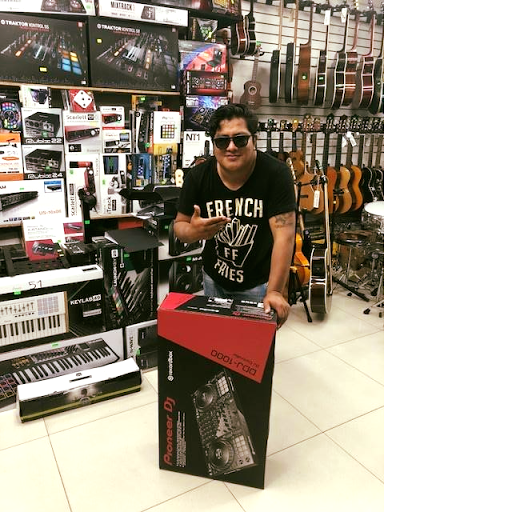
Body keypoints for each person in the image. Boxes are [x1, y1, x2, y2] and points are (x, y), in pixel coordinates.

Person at [174, 104, 296, 328]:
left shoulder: (276, 174)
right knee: (216, 339)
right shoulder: (198, 176)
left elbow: (284, 237)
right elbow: (179, 227)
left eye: (240, 139)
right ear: (214, 144)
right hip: (213, 278)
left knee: (251, 347)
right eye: (222, 141)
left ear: (254, 140)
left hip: (258, 283)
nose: (231, 147)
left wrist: (275, 291)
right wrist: (193, 232)